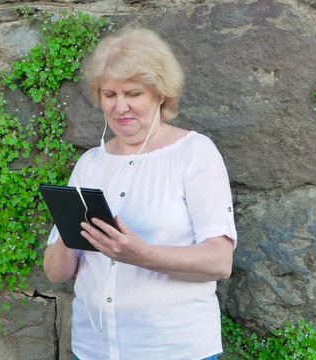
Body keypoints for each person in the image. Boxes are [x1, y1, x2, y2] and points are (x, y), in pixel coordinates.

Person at [42, 27, 237, 360]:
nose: (120, 107)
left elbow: (219, 262)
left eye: (133, 94)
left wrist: (139, 254)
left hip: (175, 349)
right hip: (93, 350)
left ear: (160, 94)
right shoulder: (91, 163)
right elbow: (57, 272)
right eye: (109, 94)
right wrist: (71, 232)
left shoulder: (195, 153)